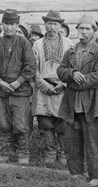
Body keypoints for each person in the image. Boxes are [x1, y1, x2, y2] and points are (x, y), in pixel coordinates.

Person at [57, 14, 98, 186]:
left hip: (92, 104)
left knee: (94, 141)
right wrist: (72, 73)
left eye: (88, 29)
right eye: (81, 28)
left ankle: (95, 175)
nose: (84, 32)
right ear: (77, 30)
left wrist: (77, 82)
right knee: (72, 140)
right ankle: (76, 172)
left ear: (94, 32)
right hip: (72, 104)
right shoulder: (71, 51)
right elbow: (61, 70)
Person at [0, 9, 36, 165]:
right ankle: (4, 153)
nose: (9, 27)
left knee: (21, 124)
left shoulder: (24, 43)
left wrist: (18, 82)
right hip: (0, 90)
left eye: (12, 24)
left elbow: (30, 66)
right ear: (2, 24)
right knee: (2, 123)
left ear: (17, 25)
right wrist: (0, 82)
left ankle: (23, 153)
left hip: (20, 91)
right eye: (6, 24)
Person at [33, 10, 73, 168]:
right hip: (44, 87)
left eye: (55, 24)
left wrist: (63, 84)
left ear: (60, 26)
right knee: (45, 122)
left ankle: (62, 154)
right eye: (49, 23)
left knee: (62, 123)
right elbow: (33, 68)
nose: (52, 27)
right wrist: (42, 84)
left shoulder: (69, 44)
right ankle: (50, 153)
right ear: (45, 25)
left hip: (62, 87)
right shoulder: (37, 44)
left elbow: (73, 67)